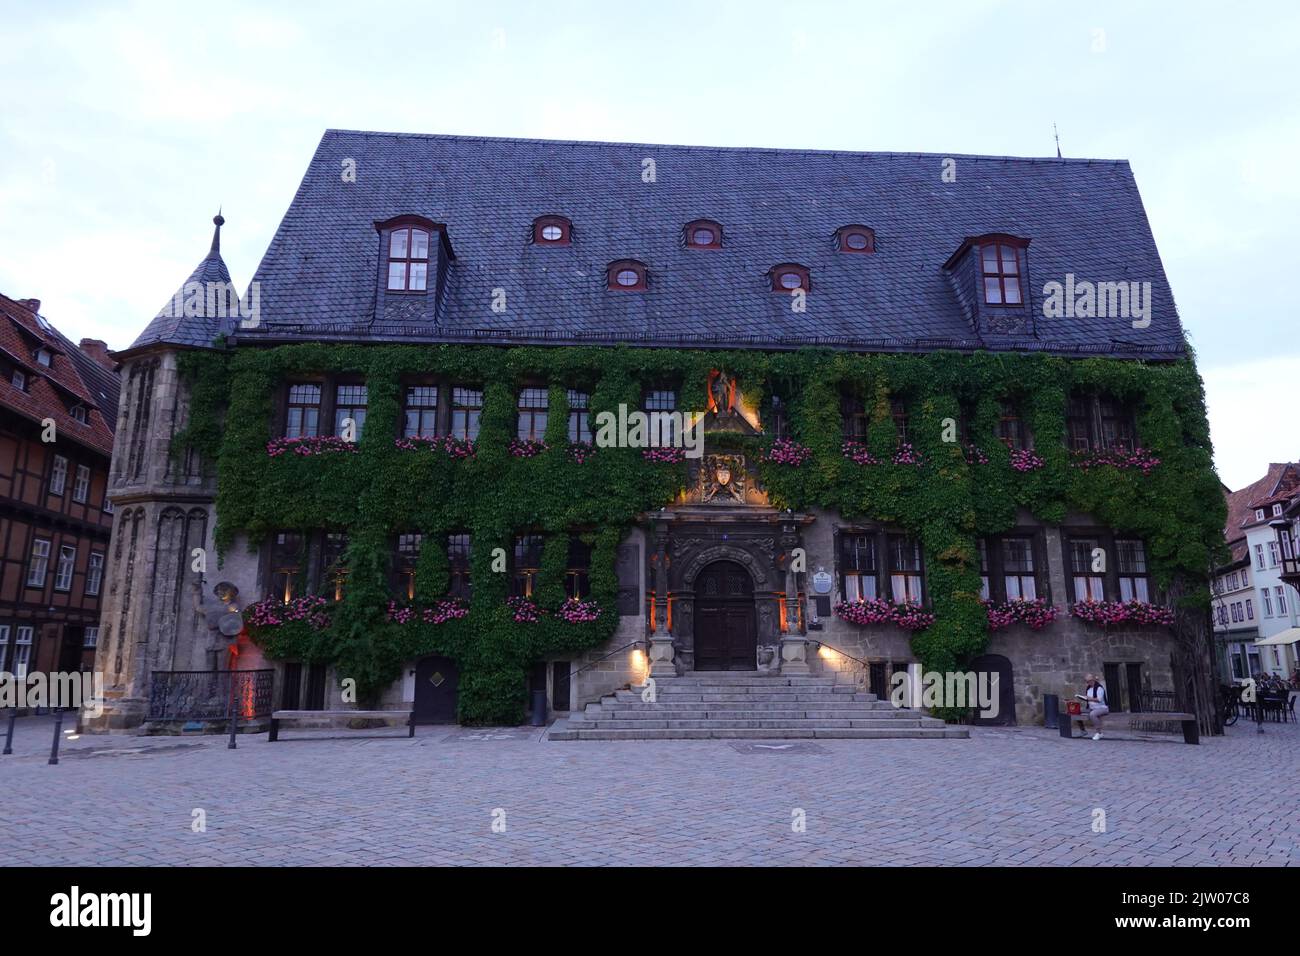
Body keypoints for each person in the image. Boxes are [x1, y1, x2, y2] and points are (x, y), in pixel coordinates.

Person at [1083, 674, 1109, 740]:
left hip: (1102, 708)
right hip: (1092, 708)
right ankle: (1082, 730)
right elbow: (1088, 699)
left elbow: (1099, 700)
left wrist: (1089, 698)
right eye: (1086, 681)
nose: (1087, 683)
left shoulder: (1099, 688)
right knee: (1078, 711)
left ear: (1092, 680)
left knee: (1092, 714)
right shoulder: (1088, 689)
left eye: (1088, 681)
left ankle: (1099, 733)